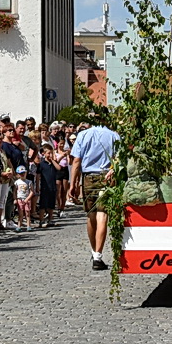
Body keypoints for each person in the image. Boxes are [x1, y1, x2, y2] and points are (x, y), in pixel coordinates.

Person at [68, 115, 119, 271]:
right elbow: (118, 159)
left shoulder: (83, 135)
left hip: (89, 177)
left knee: (91, 215)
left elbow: (76, 161)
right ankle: (97, 255)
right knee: (102, 215)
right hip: (107, 176)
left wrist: (73, 184)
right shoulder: (113, 135)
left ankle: (94, 251)